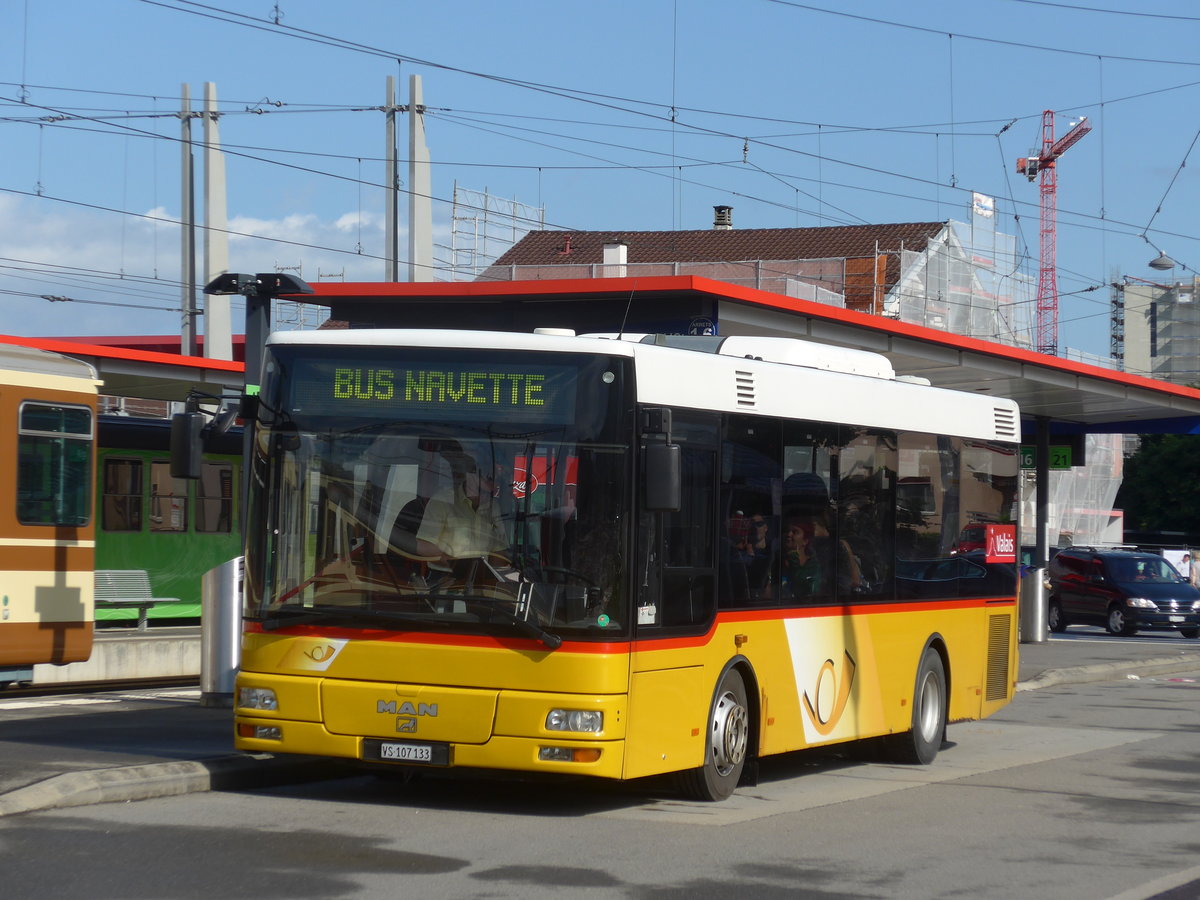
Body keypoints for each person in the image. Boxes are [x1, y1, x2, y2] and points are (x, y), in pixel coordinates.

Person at [415, 453, 509, 566]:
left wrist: (493, 576)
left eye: (499, 479)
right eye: (490, 477)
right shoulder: (443, 500)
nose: (495, 485)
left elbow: (499, 550)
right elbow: (423, 546)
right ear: (471, 475)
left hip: (482, 580)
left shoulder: (493, 506)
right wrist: (458, 567)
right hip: (444, 578)